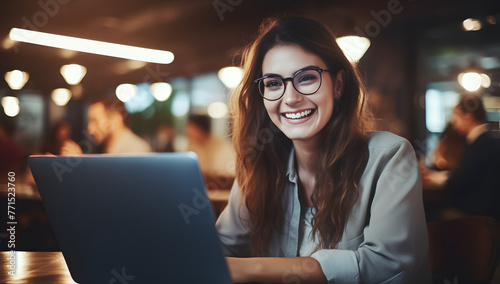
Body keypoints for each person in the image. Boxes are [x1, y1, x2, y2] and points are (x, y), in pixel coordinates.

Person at [216, 17, 430, 283]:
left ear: (338, 85)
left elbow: (389, 267)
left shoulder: (390, 157)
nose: (291, 98)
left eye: (306, 78)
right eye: (273, 83)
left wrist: (252, 269)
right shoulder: (259, 163)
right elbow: (219, 249)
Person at [424, 95, 500, 220]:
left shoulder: (482, 142)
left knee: (425, 211)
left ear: (468, 116)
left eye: (456, 116)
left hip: (478, 214)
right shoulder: (484, 139)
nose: (454, 121)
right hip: (482, 208)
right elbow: (465, 176)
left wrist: (435, 178)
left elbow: (459, 182)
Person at [62, 98, 152, 154]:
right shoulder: (107, 149)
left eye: (95, 121)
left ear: (115, 120)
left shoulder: (138, 150)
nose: (90, 129)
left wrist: (81, 164)